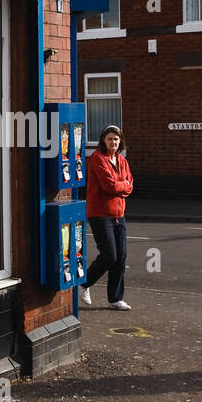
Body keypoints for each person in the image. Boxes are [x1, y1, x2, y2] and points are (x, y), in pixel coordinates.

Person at [82, 125, 133, 310]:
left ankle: (115, 298)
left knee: (121, 257)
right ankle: (84, 284)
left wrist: (123, 185)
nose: (113, 142)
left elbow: (130, 185)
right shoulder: (98, 159)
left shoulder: (121, 160)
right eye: (110, 138)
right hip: (100, 214)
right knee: (109, 255)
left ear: (121, 142)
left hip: (119, 214)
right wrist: (123, 184)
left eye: (116, 139)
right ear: (104, 140)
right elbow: (109, 186)